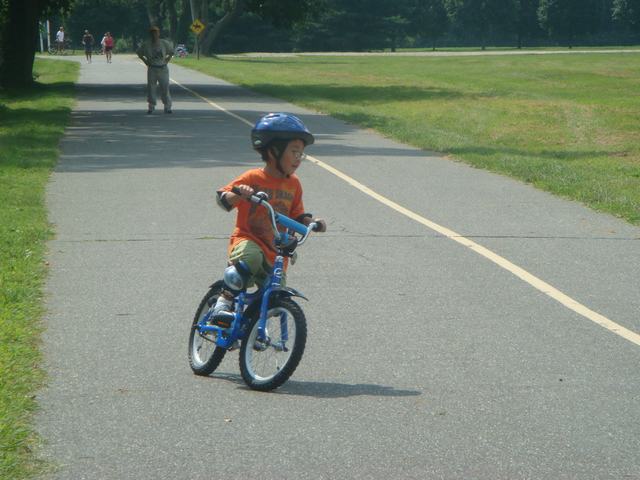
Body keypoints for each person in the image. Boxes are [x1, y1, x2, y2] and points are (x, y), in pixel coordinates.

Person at [211, 113, 327, 324]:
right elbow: (223, 199)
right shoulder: (253, 178)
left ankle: (252, 328)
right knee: (251, 257)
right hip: (248, 240)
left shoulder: (294, 184)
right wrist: (240, 193)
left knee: (275, 292)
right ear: (273, 151)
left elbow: (298, 216)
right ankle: (223, 302)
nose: (298, 158)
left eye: (301, 153)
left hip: (276, 252)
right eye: (294, 152)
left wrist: (312, 224)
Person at [136, 26, 173, 114]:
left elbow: (171, 52)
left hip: (162, 68)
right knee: (151, 88)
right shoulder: (146, 44)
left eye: (156, 32)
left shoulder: (164, 43)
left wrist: (167, 60)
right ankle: (151, 106)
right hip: (152, 68)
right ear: (150, 34)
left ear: (158, 33)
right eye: (152, 33)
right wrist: (145, 61)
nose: (154, 34)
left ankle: (167, 106)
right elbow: (139, 52)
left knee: (165, 87)